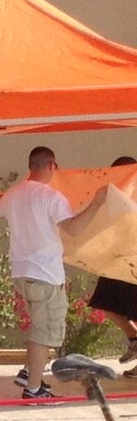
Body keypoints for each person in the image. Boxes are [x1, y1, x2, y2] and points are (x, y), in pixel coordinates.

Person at [0, 146, 77, 400]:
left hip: (22, 273)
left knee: (38, 328)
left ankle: (28, 373)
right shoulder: (51, 197)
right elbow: (73, 228)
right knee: (44, 333)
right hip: (45, 274)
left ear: (30, 166)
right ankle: (33, 388)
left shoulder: (12, 194)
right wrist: (98, 205)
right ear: (52, 165)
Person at [84, 157, 137, 368]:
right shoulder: (110, 195)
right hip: (116, 261)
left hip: (133, 262)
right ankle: (134, 338)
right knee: (104, 302)